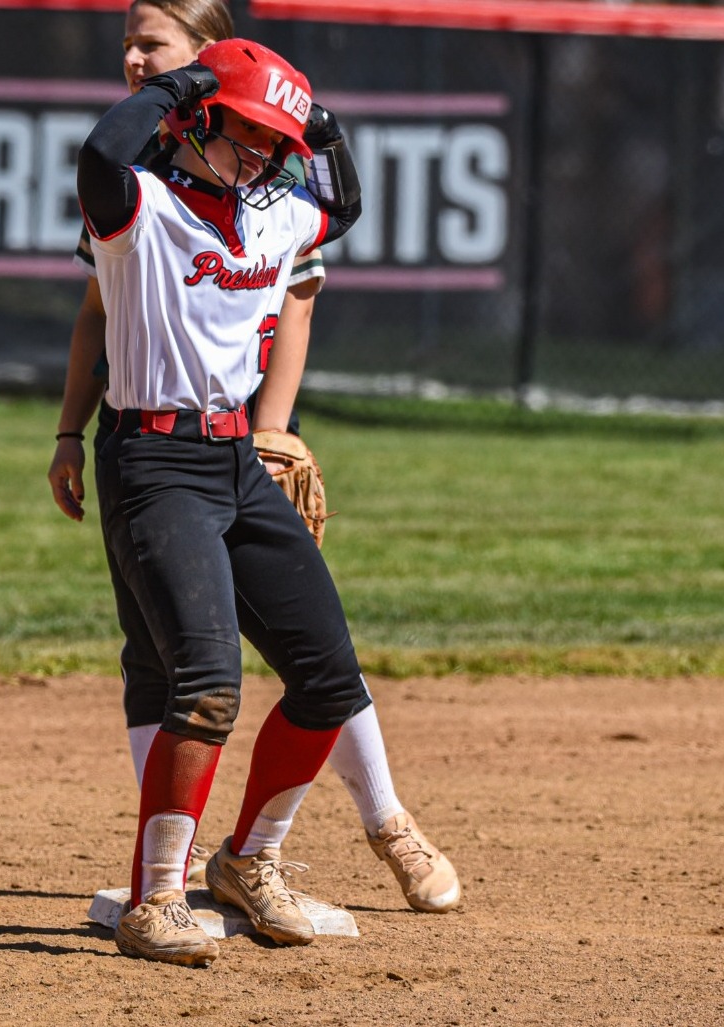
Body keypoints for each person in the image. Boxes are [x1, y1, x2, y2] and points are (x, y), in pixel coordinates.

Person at [48, 0, 460, 924]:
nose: (270, 158)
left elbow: (341, 201)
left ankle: (250, 863)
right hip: (154, 464)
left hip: (237, 460)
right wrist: (186, 82)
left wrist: (320, 125)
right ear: (196, 120)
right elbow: (99, 161)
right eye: (252, 137)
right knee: (203, 683)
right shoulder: (141, 207)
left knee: (325, 676)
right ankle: (159, 898)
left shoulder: (270, 214)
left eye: (280, 146)